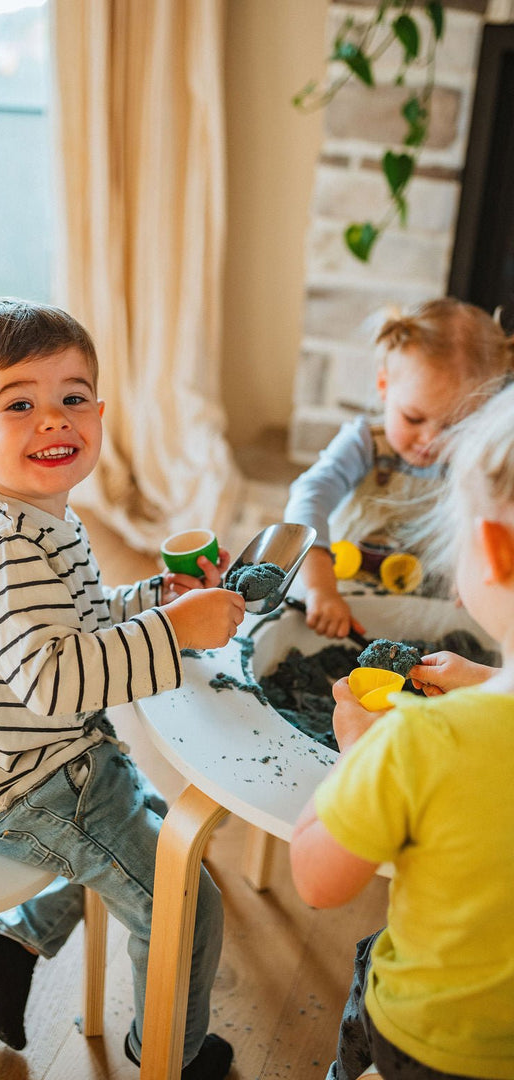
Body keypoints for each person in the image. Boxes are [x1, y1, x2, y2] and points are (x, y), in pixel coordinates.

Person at [0, 298, 245, 1079]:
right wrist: (177, 634)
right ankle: (167, 1055)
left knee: (155, 831)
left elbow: (81, 623)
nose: (53, 420)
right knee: (183, 899)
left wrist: (159, 603)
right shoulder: (5, 552)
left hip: (53, 763)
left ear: (100, 414)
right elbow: (58, 681)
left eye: (73, 398)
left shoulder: (35, 518)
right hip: (29, 789)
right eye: (20, 403)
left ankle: (13, 942)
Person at [289, 382, 514, 1079]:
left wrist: (358, 752)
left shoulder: (423, 741)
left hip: (429, 1041)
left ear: (494, 550)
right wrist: (486, 680)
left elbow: (318, 881)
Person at [284, 297, 514, 639]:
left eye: (455, 426)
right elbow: (308, 498)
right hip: (344, 591)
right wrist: (320, 588)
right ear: (384, 386)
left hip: (422, 603)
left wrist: (473, 577)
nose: (431, 440)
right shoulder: (364, 443)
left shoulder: (478, 460)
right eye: (414, 418)